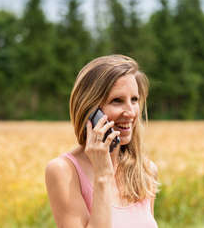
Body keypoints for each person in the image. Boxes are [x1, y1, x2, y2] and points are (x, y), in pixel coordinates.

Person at [45, 55, 160, 228]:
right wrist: (103, 175)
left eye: (134, 100)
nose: (130, 112)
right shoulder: (64, 172)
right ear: (90, 110)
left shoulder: (145, 171)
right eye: (117, 101)